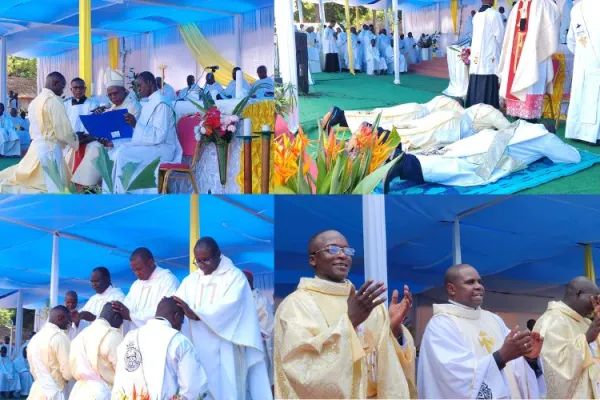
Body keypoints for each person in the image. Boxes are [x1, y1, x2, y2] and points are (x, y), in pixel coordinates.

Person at [275, 230, 417, 399]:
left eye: (347, 251)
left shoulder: (367, 303)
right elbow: (298, 369)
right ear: (313, 259)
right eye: (333, 249)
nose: (342, 255)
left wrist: (393, 331)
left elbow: (391, 370)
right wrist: (350, 322)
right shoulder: (297, 305)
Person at [418, 264, 546, 398]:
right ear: (451, 289)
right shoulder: (441, 325)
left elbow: (514, 367)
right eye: (470, 282)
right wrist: (500, 357)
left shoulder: (494, 320)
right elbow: (453, 377)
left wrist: (529, 358)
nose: (478, 286)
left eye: (480, 282)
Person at [173, 238, 272, 400]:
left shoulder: (234, 277)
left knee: (227, 392)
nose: (202, 265)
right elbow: (177, 303)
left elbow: (230, 306)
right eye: (198, 261)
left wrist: (197, 314)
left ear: (218, 254)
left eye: (206, 260)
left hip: (225, 347)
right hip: (196, 347)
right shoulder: (190, 281)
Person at [383, 120, 581, 191]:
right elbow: (573, 157)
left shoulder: (523, 124)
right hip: (495, 150)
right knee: (468, 170)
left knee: (447, 152)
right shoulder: (545, 137)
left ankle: (398, 155)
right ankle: (403, 164)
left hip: (484, 138)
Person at [111, 297, 210, 399]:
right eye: (182, 321)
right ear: (177, 316)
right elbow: (193, 388)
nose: (181, 325)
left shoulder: (129, 338)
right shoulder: (179, 341)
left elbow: (119, 382)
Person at [104, 71, 182, 194]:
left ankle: (126, 197)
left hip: (163, 148)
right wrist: (117, 142)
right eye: (136, 87)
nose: (138, 90)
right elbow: (141, 135)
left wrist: (135, 124)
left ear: (150, 83)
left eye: (140, 86)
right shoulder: (149, 103)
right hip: (151, 145)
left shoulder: (161, 103)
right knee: (112, 153)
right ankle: (111, 195)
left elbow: (159, 136)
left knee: (123, 155)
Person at [0, 72, 77, 193]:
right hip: (50, 147)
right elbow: (63, 129)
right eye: (62, 87)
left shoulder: (35, 101)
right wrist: (76, 141)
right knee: (51, 186)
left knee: (35, 180)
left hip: (36, 147)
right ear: (54, 83)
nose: (63, 91)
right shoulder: (53, 100)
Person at [71, 68, 142, 191]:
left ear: (124, 90)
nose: (113, 97)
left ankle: (88, 187)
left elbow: (135, 132)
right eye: (109, 95)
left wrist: (110, 140)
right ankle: (88, 185)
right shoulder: (112, 106)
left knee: (96, 148)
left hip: (126, 144)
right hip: (111, 142)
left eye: (116, 93)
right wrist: (98, 119)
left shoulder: (133, 106)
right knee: (92, 145)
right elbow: (108, 128)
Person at [533, 277, 600, 398]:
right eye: (594, 299)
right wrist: (586, 339)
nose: (595, 305)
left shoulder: (586, 323)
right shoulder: (551, 321)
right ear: (579, 294)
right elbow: (551, 369)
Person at [498, 0, 560, 121]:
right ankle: (530, 122)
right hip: (535, 57)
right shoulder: (544, 4)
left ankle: (517, 119)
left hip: (516, 55)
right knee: (531, 80)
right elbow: (553, 28)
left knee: (520, 79)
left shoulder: (517, 7)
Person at [111, 247, 179, 331]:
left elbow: (165, 311)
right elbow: (127, 307)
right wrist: (119, 309)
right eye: (134, 270)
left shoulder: (168, 280)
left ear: (150, 263)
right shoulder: (136, 285)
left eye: (139, 269)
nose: (137, 273)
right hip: (136, 337)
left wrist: (131, 316)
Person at [322, 95, 464, 134]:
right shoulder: (454, 106)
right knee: (385, 121)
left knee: (380, 115)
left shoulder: (442, 98)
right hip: (417, 114)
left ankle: (341, 115)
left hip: (415, 108)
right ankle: (339, 115)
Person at [69, 303, 124, 399]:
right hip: (104, 392)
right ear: (116, 317)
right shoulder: (112, 335)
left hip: (79, 391)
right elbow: (122, 370)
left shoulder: (80, 336)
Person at [564, 0, 600, 144]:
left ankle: (575, 131)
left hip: (582, 62)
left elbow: (571, 40)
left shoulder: (576, 9)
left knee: (580, 96)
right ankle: (594, 135)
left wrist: (582, 54)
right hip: (596, 63)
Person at [465, 0, 505, 108]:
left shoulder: (476, 16)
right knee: (489, 77)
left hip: (477, 56)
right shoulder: (494, 14)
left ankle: (473, 106)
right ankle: (489, 108)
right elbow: (500, 36)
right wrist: (502, 51)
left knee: (476, 79)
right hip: (489, 54)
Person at [27, 305, 73, 400]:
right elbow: (68, 373)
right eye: (69, 319)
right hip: (55, 391)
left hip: (37, 390)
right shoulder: (59, 337)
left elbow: (32, 369)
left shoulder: (34, 339)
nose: (69, 323)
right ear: (60, 318)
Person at [244, 270, 275, 387]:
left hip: (257, 346)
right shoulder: (236, 299)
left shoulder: (260, 299)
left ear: (251, 282)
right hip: (240, 347)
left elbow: (267, 325)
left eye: (246, 281)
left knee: (259, 382)